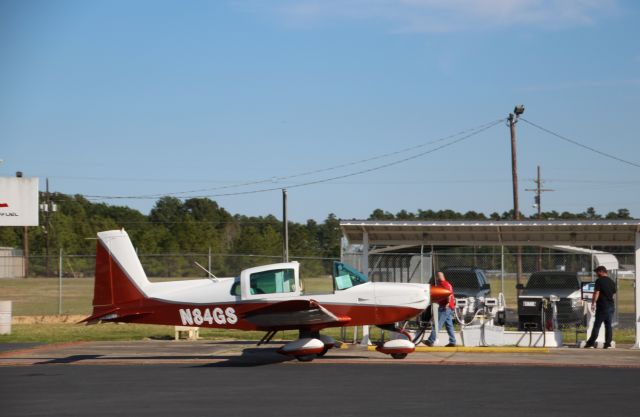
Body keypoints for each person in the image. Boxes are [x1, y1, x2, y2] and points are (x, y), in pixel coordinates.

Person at [584, 265, 616, 349]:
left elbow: (596, 293)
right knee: (608, 325)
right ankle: (607, 344)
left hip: (602, 306)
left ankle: (590, 343)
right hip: (611, 306)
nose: (596, 274)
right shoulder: (612, 282)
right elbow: (613, 295)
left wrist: (593, 303)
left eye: (597, 272)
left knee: (597, 325)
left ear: (601, 271)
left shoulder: (599, 281)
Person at [424, 271, 456, 347]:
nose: (438, 278)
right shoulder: (444, 283)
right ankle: (453, 341)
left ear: (440, 276)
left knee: (438, 324)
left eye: (438, 276)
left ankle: (430, 341)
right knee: (449, 325)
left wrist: (447, 303)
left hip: (445, 307)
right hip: (448, 307)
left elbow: (449, 293)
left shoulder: (444, 284)